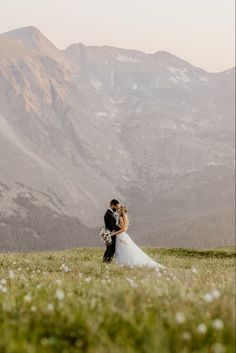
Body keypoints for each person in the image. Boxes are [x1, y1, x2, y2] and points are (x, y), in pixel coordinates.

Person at [114, 205, 165, 269]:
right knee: (124, 249)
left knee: (124, 249)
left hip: (121, 235)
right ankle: (123, 263)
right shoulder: (121, 217)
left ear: (120, 210)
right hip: (122, 235)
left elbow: (123, 229)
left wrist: (115, 233)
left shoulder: (121, 218)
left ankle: (127, 263)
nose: (117, 209)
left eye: (118, 208)